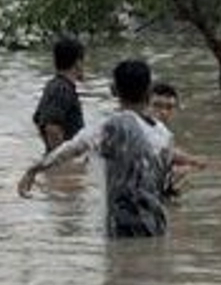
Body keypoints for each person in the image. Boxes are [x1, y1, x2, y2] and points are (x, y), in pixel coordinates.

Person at [19, 60, 176, 238]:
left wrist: (35, 169)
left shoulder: (112, 126)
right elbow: (165, 186)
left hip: (123, 226)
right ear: (149, 91)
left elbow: (73, 148)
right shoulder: (165, 136)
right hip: (156, 225)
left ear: (114, 90)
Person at [33, 38, 85, 152]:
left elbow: (38, 120)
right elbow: (52, 128)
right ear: (77, 63)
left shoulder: (54, 85)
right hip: (63, 161)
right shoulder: (62, 89)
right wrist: (61, 159)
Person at [149, 82, 206, 171]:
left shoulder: (163, 132)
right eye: (157, 105)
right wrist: (191, 162)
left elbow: (166, 152)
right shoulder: (138, 129)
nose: (163, 112)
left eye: (169, 107)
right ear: (145, 105)